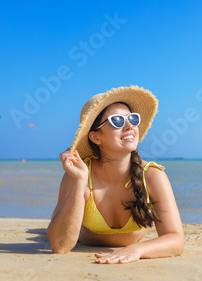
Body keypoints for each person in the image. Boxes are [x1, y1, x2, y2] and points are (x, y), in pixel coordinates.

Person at [47, 86, 184, 264]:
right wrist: (79, 181)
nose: (129, 126)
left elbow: (176, 240)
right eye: (117, 121)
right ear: (96, 137)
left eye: (132, 119)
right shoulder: (80, 176)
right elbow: (60, 245)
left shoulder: (151, 175)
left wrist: (138, 249)